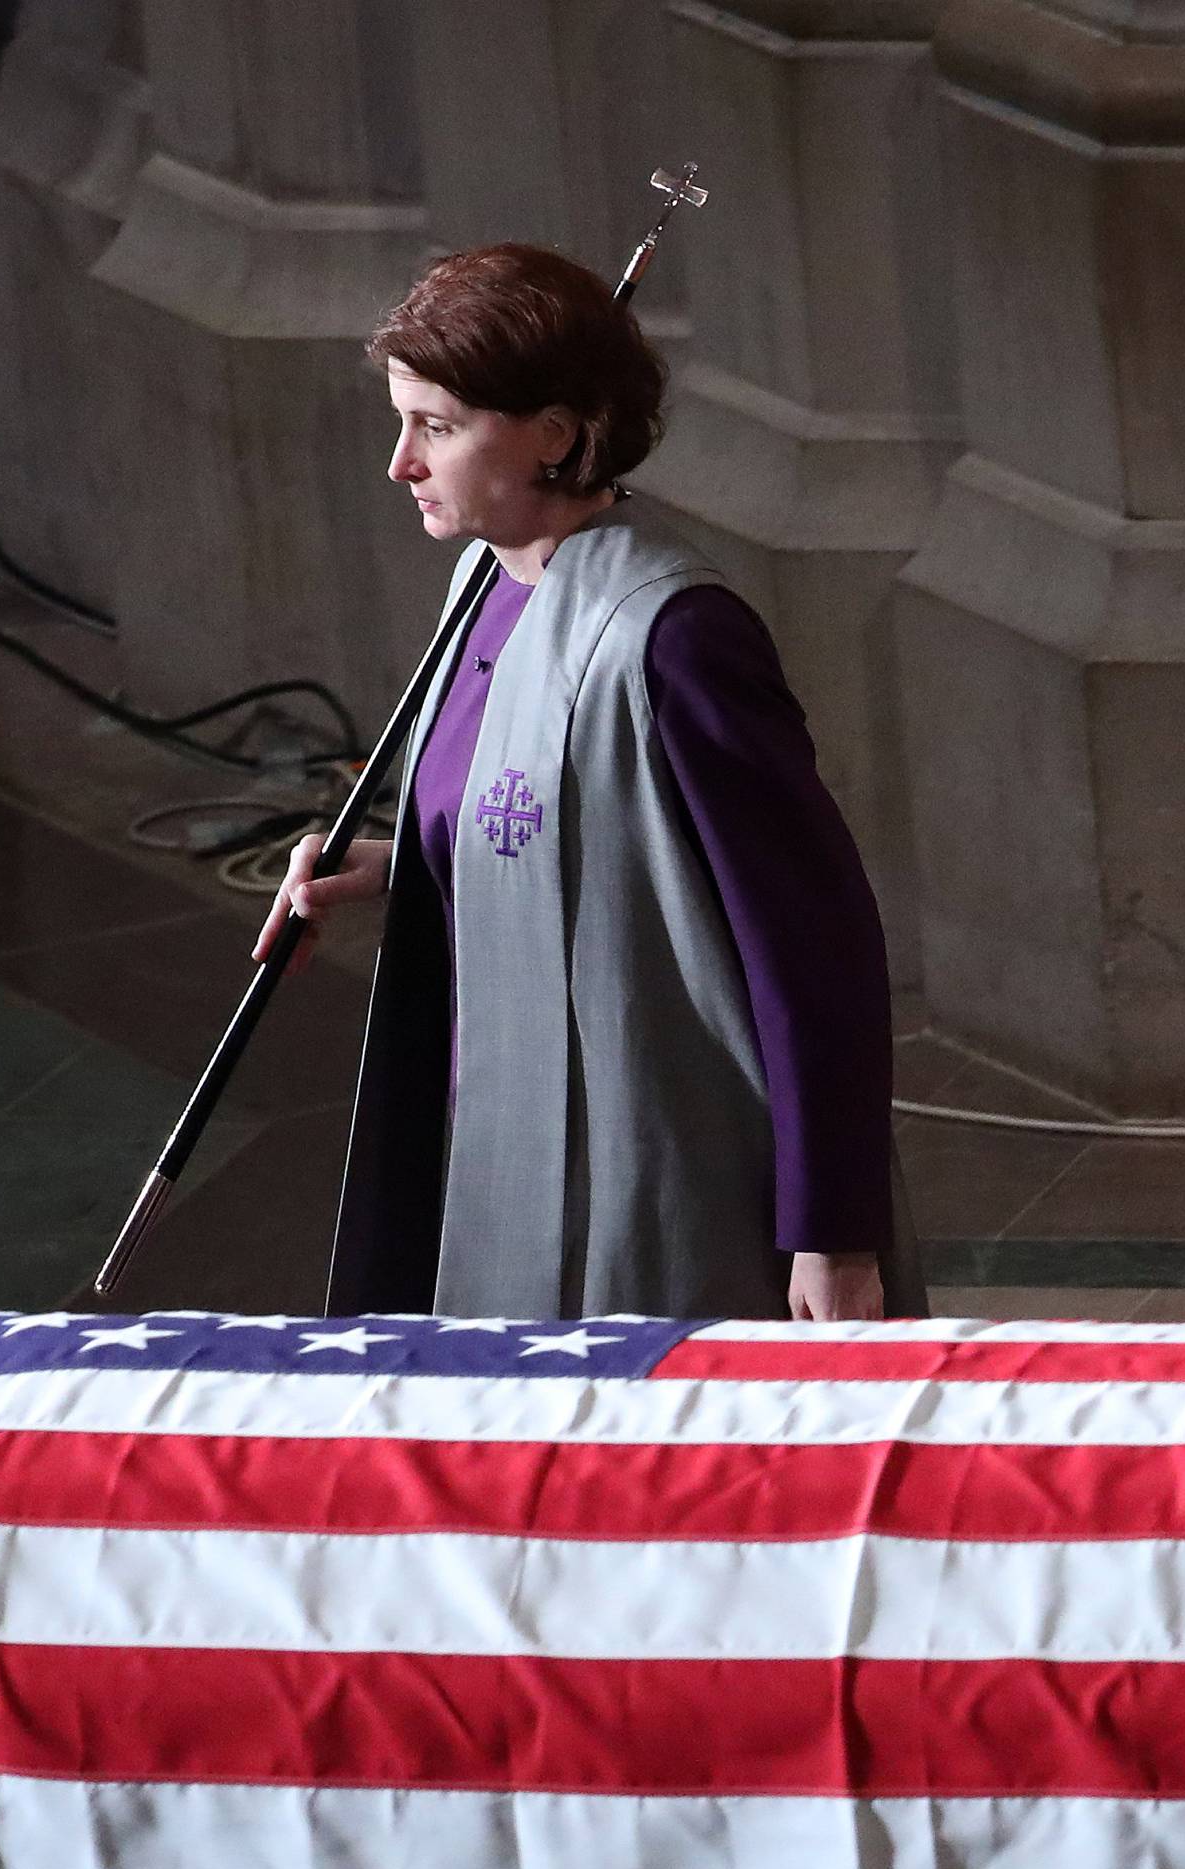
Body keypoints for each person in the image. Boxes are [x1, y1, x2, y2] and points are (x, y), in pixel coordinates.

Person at [256, 243, 923, 1323]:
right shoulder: (482, 583)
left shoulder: (680, 638)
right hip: (494, 1132)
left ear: (557, 436)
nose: (401, 463)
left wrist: (835, 1235)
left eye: (436, 426)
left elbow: (817, 950)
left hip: (654, 1178)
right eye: (404, 421)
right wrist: (391, 867)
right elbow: (553, 827)